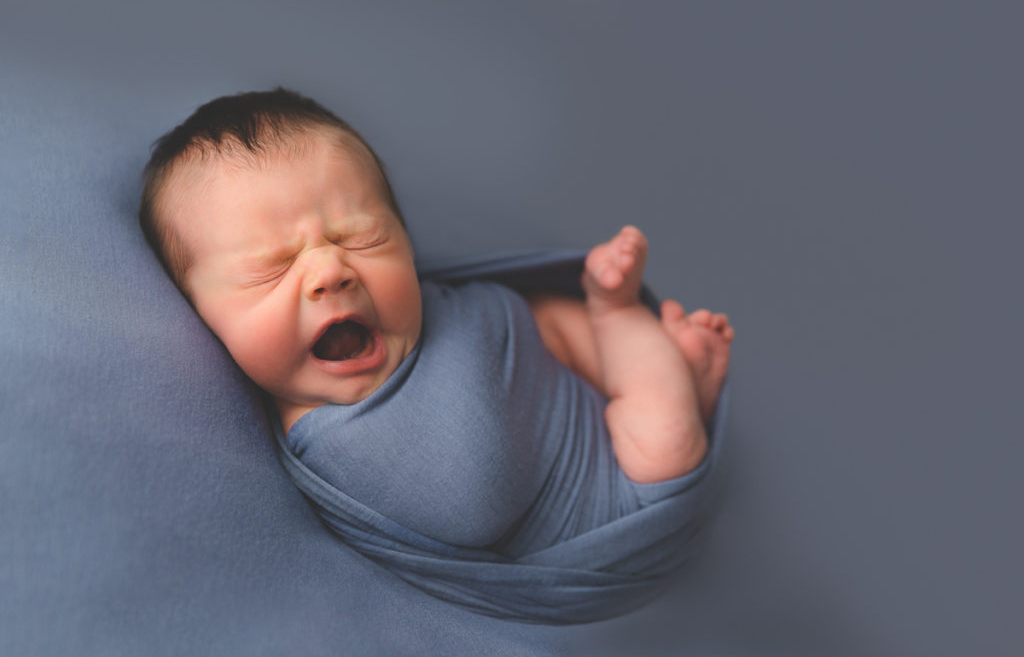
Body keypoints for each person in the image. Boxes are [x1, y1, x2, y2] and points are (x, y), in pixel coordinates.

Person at [139, 87, 733, 571]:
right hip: (618, 505)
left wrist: (511, 335)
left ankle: (643, 357)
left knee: (545, 317)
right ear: (197, 312)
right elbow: (472, 509)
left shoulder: (439, 310)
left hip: (571, 386)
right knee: (667, 451)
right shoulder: (335, 446)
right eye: (270, 267)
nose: (330, 271)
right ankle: (631, 330)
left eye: (361, 236)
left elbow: (526, 331)